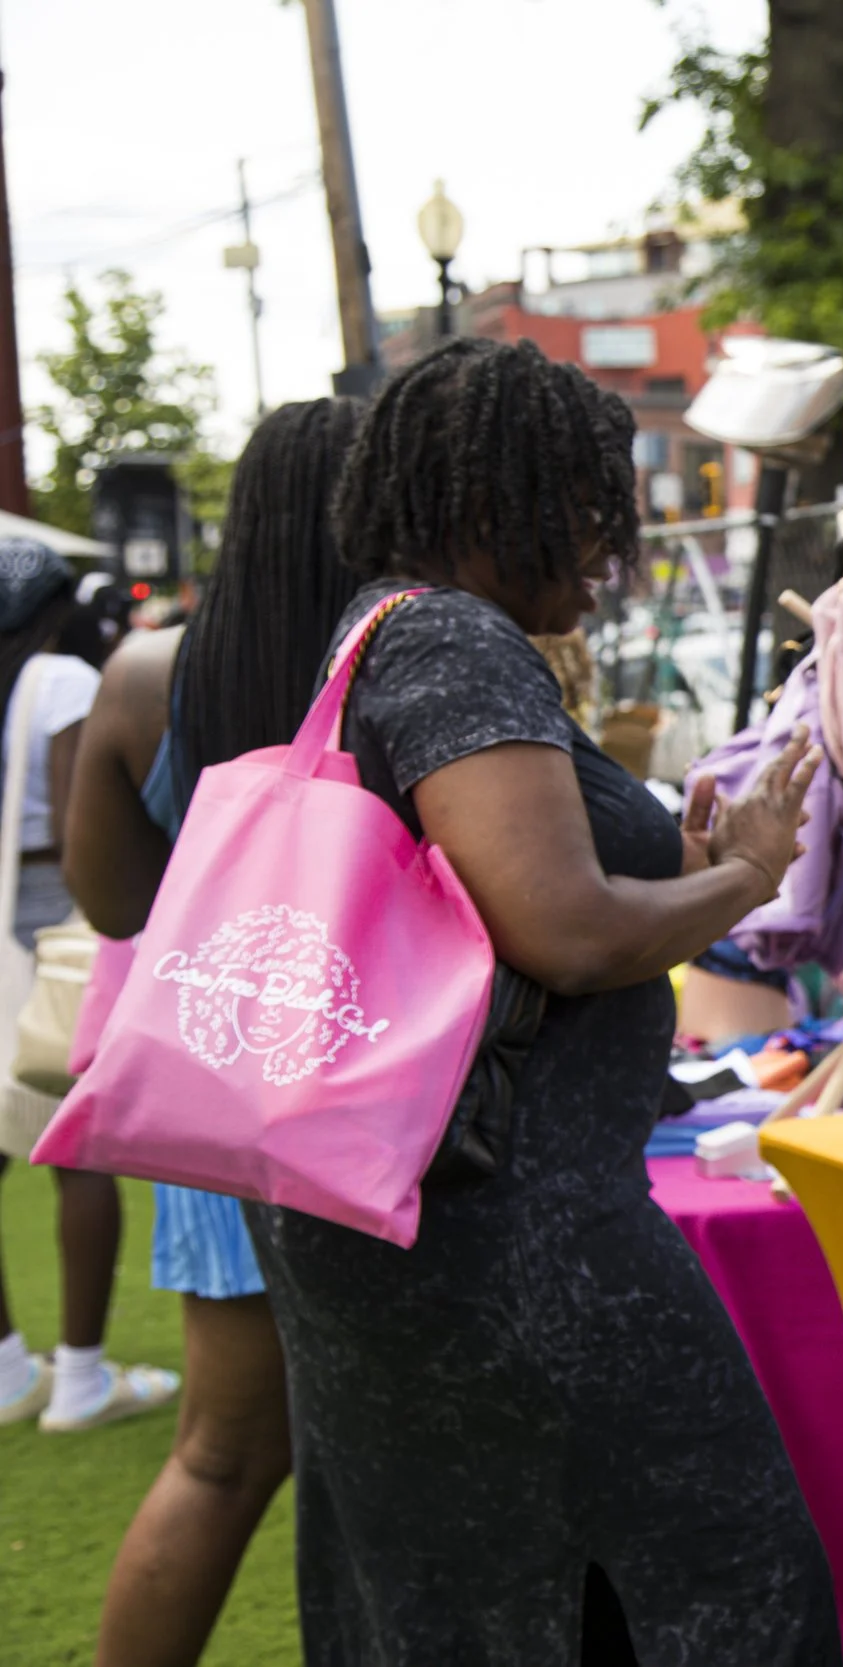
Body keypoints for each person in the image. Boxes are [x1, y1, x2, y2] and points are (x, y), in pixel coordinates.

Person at [250, 337, 839, 1663]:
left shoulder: (380, 632)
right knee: (724, 1573)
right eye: (585, 506)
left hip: (411, 1216)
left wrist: (680, 861)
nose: (609, 549)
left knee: (490, 1594)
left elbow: (502, 902)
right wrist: (747, 871)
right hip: (514, 1229)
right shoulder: (454, 641)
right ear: (488, 498)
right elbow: (563, 931)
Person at [64, 397, 366, 1665]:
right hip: (382, 1099)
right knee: (405, 1453)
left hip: (218, 1094)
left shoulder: (147, 675)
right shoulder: (402, 669)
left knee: (221, 1455)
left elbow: (111, 903)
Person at [0, 542, 176, 1434]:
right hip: (52, 931)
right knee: (79, 1151)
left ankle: (6, 1372)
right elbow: (85, 833)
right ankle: (79, 1378)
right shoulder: (64, 680)